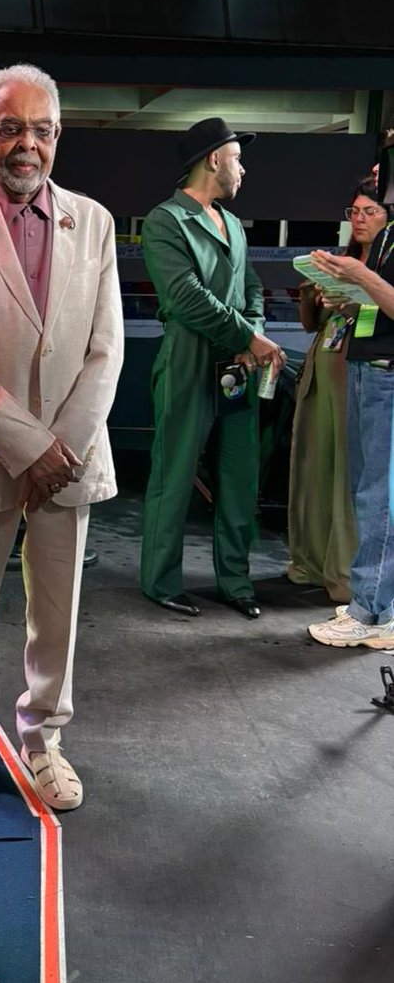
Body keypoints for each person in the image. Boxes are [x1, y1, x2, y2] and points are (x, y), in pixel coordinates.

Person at [0, 63, 123, 814]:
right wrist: (25, 445)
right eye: (10, 128)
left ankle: (43, 741)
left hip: (67, 460)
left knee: (59, 609)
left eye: (42, 130)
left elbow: (107, 351)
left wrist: (57, 449)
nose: (26, 145)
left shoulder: (96, 222)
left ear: (58, 137)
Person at [140, 117, 285, 620]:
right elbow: (184, 299)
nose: (242, 169)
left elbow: (251, 287)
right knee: (174, 474)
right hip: (188, 360)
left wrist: (253, 335)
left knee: (238, 476)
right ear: (214, 160)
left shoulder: (231, 224)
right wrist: (248, 337)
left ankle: (236, 582)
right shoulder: (166, 221)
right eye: (237, 158)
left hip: (238, 365)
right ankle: (160, 581)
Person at [307, 179, 394, 648]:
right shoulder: (385, 238)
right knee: (371, 490)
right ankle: (382, 603)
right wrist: (350, 296)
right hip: (369, 369)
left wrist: (360, 277)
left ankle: (371, 610)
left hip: (386, 376)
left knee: (379, 494)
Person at [287, 178, 383, 601]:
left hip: (356, 377)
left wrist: (355, 297)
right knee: (311, 469)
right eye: (354, 211)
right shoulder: (342, 261)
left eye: (369, 212)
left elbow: (375, 322)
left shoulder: (379, 270)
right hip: (319, 370)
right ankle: (308, 562)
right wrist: (311, 294)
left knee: (350, 477)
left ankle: (345, 576)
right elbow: (312, 325)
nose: (359, 219)